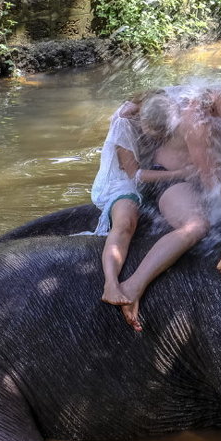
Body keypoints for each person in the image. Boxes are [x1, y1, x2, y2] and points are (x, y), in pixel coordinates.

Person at [116, 72, 221, 331]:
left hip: (206, 177)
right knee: (196, 226)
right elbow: (212, 185)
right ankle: (131, 287)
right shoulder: (198, 118)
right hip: (170, 179)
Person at [91, 89, 193, 317]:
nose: (159, 139)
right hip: (122, 182)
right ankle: (110, 283)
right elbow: (134, 175)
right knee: (126, 222)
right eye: (155, 134)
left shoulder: (165, 101)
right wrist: (179, 173)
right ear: (142, 122)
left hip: (153, 175)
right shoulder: (123, 125)